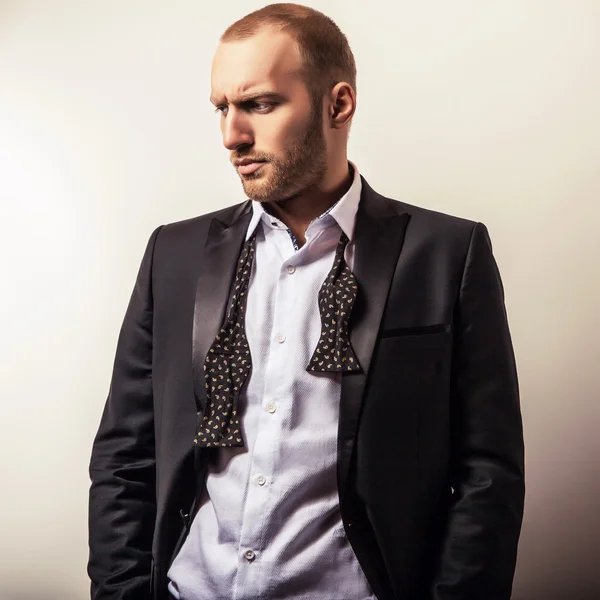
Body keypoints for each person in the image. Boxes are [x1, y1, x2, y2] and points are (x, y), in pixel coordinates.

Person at [88, 3, 525, 599]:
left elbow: (487, 473)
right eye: (222, 108)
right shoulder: (175, 252)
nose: (231, 136)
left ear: (338, 104)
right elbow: (124, 457)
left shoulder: (447, 253)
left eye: (259, 104)